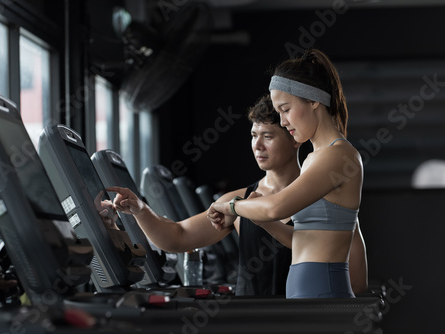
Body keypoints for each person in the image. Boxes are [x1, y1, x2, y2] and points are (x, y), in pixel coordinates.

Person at [106, 92, 367, 296]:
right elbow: (178, 237)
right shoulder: (238, 200)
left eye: (268, 136)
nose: (258, 145)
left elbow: (356, 282)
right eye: (254, 136)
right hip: (250, 320)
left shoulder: (328, 202)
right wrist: (140, 209)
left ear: (294, 137)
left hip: (302, 317)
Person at [207, 48, 364, 299]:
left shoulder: (338, 157)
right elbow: (303, 240)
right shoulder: (315, 157)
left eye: (285, 109)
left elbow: (275, 208)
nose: (282, 121)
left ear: (313, 101)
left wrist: (230, 206)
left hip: (323, 293)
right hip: (307, 292)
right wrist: (261, 221)